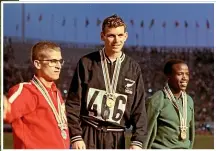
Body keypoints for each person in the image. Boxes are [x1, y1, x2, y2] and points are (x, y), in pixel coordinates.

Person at [65, 14, 147, 149]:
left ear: (125, 36)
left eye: (120, 35)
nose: (116, 40)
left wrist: (137, 141)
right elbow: (73, 103)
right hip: (88, 133)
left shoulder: (133, 68)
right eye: (111, 35)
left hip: (117, 136)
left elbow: (139, 109)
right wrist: (76, 135)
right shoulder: (86, 63)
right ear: (102, 36)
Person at [4, 41, 70, 149]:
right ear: (37, 64)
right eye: (53, 61)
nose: (58, 66)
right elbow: (6, 111)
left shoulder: (56, 92)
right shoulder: (26, 91)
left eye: (60, 61)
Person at [143, 59, 195, 149]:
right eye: (180, 74)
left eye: (187, 74)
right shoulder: (157, 99)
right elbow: (145, 132)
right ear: (169, 76)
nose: (185, 77)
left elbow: (191, 133)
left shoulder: (189, 101)